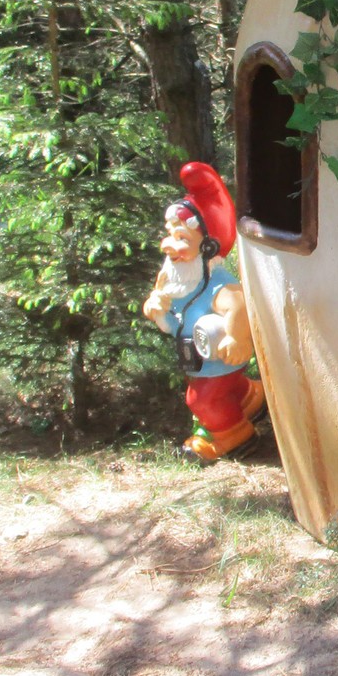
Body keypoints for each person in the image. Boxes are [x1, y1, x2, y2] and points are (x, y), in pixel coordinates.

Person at [143, 161, 266, 462]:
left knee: (201, 400)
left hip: (219, 357)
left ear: (207, 247)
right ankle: (248, 399)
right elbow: (171, 318)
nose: (169, 245)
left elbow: (237, 303)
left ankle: (234, 436)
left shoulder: (216, 282)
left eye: (182, 239)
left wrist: (237, 338)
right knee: (213, 392)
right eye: (170, 235)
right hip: (197, 358)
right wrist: (156, 310)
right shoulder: (176, 280)